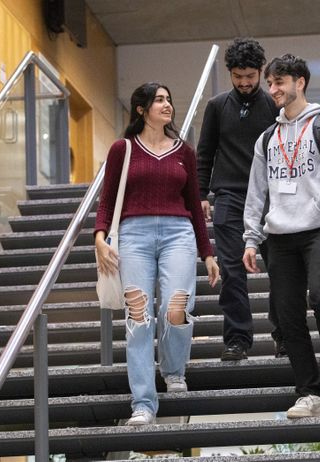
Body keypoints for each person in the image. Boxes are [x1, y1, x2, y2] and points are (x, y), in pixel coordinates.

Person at [242, 54, 320, 418]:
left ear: (300, 82)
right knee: (288, 315)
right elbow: (256, 192)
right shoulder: (268, 138)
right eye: (271, 83)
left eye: (280, 82)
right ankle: (309, 392)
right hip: (279, 236)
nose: (274, 89)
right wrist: (251, 237)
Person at [95, 82, 220, 426]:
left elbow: (195, 205)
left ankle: (174, 370)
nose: (167, 105)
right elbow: (107, 199)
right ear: (141, 109)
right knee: (138, 317)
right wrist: (99, 237)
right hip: (134, 235)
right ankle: (143, 404)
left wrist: (207, 253)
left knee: (176, 307)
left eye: (168, 99)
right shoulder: (123, 149)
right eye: (159, 100)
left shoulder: (184, 151)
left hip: (178, 234)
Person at [196, 37, 282, 361]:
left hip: (273, 197)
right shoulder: (217, 106)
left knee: (281, 268)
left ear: (261, 71)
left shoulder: (275, 105)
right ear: (230, 73)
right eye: (238, 77)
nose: (245, 83)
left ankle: (284, 336)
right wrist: (202, 193)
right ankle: (237, 339)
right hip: (229, 195)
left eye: (250, 76)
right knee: (231, 269)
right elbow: (204, 153)